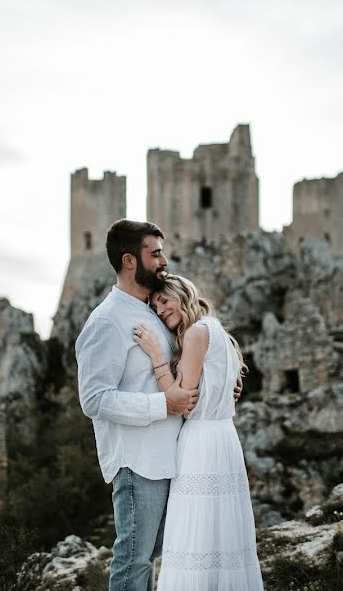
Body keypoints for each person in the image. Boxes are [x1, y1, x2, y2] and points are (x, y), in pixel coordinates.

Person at [75, 219, 198, 591]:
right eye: (155, 253)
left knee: (150, 558)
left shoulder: (152, 312)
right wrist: (163, 405)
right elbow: (93, 399)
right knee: (133, 560)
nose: (164, 261)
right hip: (137, 461)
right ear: (130, 261)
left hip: (167, 457)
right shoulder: (107, 321)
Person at [133, 274, 264, 590]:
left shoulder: (194, 334)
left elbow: (182, 403)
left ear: (183, 293)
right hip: (224, 439)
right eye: (155, 306)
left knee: (196, 535)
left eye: (165, 300)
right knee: (221, 536)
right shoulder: (216, 330)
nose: (162, 310)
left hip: (201, 444)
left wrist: (157, 357)